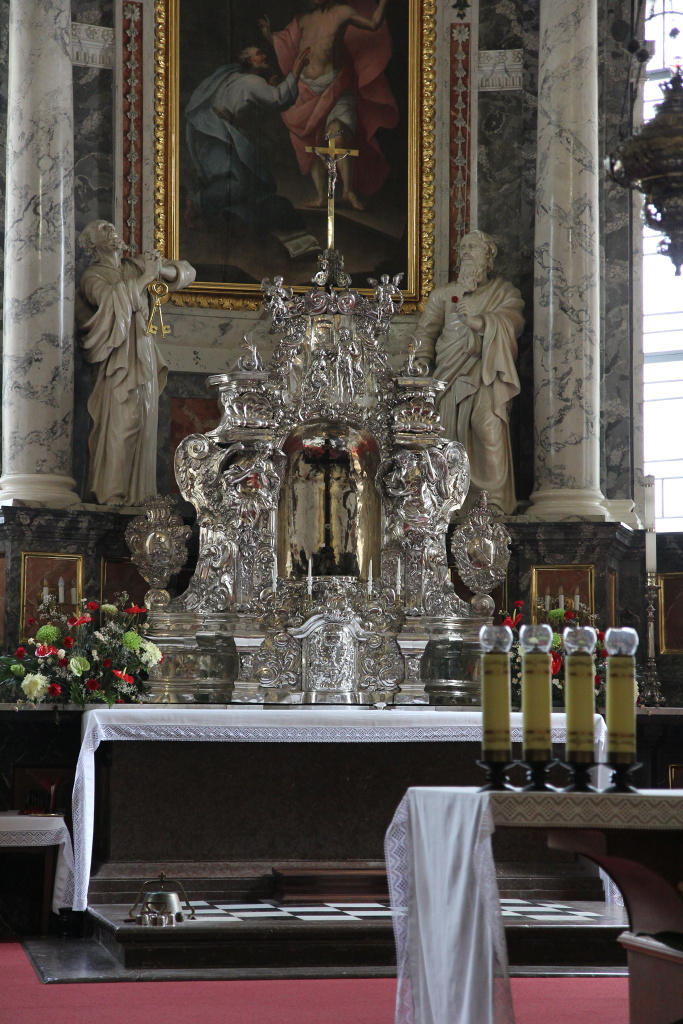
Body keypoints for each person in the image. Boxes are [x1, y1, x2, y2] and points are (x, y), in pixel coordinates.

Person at [76, 220, 196, 506]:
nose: (112, 231)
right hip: (118, 356)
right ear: (92, 244)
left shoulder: (134, 266)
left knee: (143, 419)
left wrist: (159, 269)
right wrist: (147, 277)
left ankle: (139, 495)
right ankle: (112, 492)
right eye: (103, 229)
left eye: (112, 227)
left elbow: (186, 273)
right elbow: (108, 298)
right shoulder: (93, 276)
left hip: (143, 350)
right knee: (123, 421)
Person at [413, 230, 525, 515]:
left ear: (488, 258)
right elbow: (425, 333)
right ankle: (452, 504)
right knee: (450, 440)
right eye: (462, 248)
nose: (465, 253)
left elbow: (513, 323)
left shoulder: (504, 293)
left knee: (488, 430)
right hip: (448, 377)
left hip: (487, 374)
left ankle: (493, 500)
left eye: (472, 247)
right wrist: (422, 363)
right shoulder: (442, 295)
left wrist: (479, 322)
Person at [258, 0, 398, 210]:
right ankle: (322, 196)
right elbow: (286, 48)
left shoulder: (342, 12)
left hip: (335, 87)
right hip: (306, 90)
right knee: (310, 146)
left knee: (337, 138)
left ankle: (347, 191)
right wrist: (269, 35)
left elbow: (373, 24)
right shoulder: (303, 20)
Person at [184, 45, 310, 231]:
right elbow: (279, 99)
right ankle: (196, 203)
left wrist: (269, 87)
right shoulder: (251, 81)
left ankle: (223, 214)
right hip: (213, 132)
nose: (264, 56)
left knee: (241, 179)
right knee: (237, 183)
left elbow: (252, 97)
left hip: (208, 127)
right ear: (250, 61)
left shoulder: (233, 76)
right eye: (258, 54)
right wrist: (295, 73)